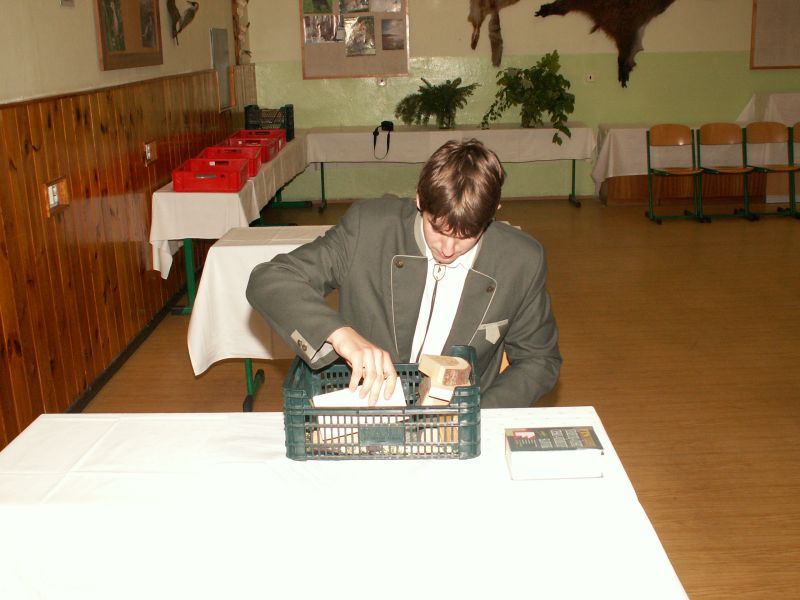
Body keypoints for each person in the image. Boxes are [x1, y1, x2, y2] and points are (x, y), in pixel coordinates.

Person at [246, 139, 560, 407]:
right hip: (365, 409)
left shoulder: (520, 261)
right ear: (420, 198)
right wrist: (341, 335)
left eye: (466, 236)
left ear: (493, 214)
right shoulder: (369, 229)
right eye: (437, 228)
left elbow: (539, 360)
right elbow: (271, 278)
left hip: (460, 424)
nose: (447, 248)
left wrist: (476, 412)